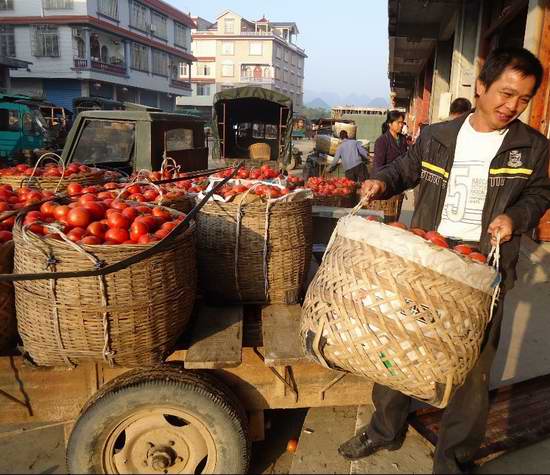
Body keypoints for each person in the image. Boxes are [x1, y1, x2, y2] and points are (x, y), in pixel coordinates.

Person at [338, 46, 550, 474]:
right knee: (399, 346)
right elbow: (404, 168)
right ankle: (384, 429)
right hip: (428, 259)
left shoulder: (533, 147)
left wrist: (516, 216)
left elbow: (541, 194)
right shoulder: (437, 135)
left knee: (472, 370)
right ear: (481, 87)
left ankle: (453, 459)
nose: (512, 106)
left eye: (524, 99)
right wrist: (380, 181)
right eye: (505, 93)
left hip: (483, 268)